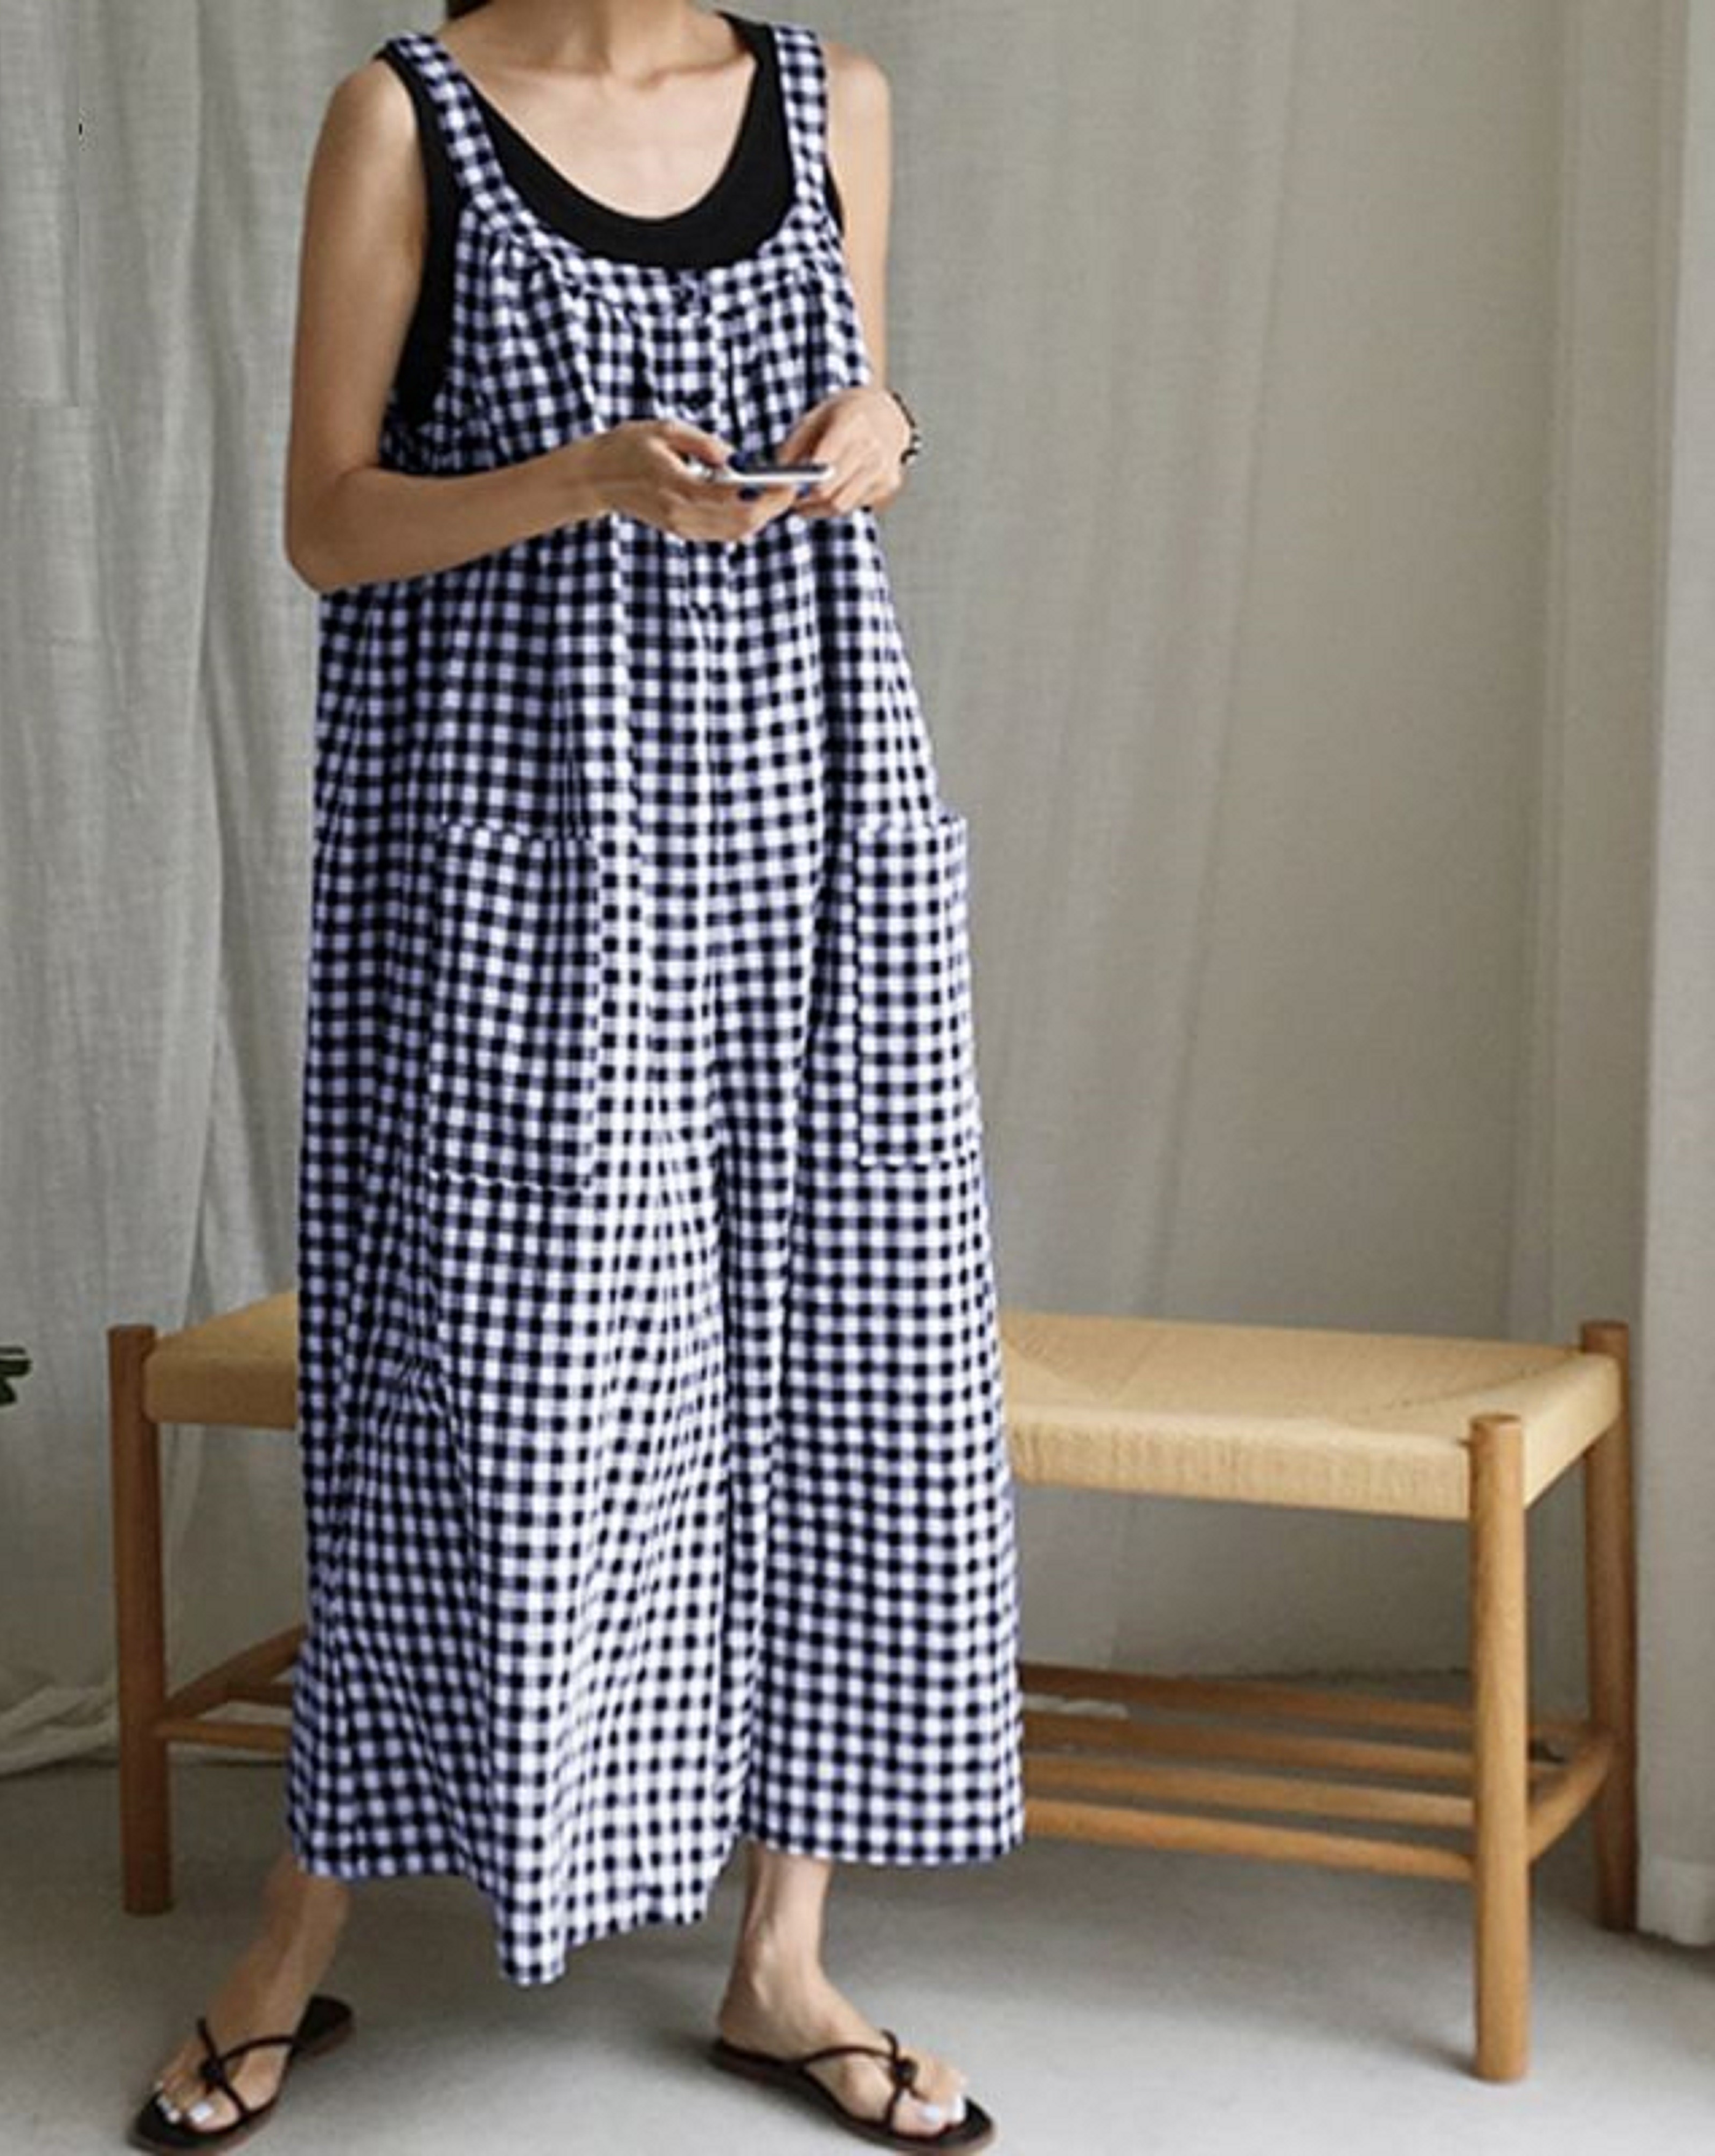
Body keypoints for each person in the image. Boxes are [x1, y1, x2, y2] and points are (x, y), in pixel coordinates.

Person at [130, 4, 1022, 2148]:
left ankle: (781, 1960)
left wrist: (883, 428)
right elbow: (326, 522)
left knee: (850, 1351)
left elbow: (862, 409)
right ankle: (291, 1939)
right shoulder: (408, 115)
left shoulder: (829, 101)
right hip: (526, 836)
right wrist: (583, 479)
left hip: (812, 808)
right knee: (485, 1376)